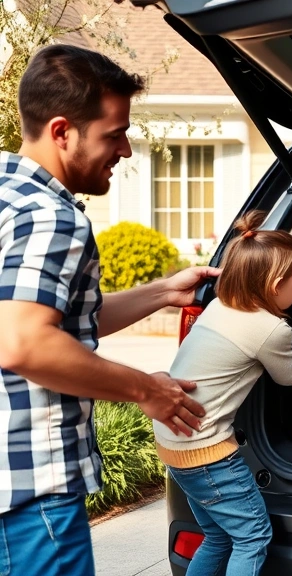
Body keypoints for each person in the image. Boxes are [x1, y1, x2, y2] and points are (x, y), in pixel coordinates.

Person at [0, 45, 214, 576]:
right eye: (113, 134)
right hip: (33, 495)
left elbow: (60, 319)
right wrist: (148, 390)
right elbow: (24, 342)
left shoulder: (8, 193)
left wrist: (164, 292)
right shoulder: (53, 217)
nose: (126, 150)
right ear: (61, 131)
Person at [154, 211, 292, 575]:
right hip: (208, 453)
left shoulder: (221, 305)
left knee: (217, 536)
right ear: (276, 285)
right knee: (252, 537)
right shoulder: (270, 329)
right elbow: (287, 376)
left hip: (173, 443)